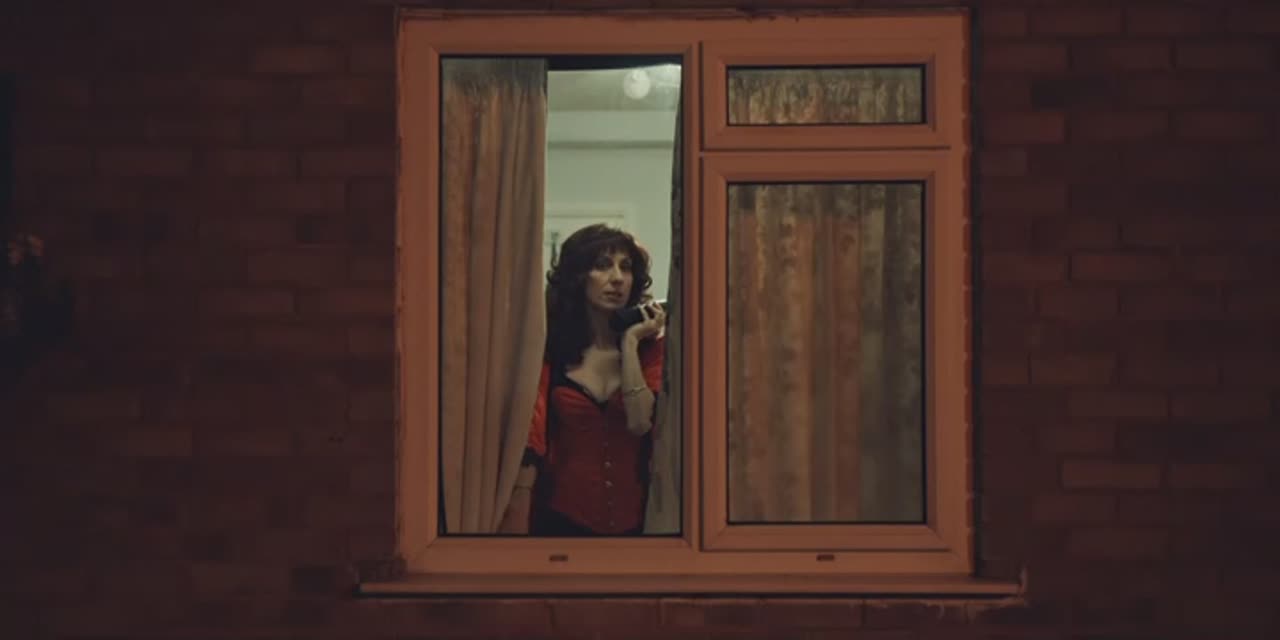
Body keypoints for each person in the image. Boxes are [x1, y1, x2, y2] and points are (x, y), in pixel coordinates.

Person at [499, 224, 666, 536]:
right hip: (561, 521)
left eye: (626, 267)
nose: (617, 278)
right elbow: (531, 439)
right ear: (578, 276)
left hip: (638, 525)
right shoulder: (549, 351)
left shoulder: (650, 352)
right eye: (602, 265)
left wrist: (630, 343)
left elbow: (640, 421)